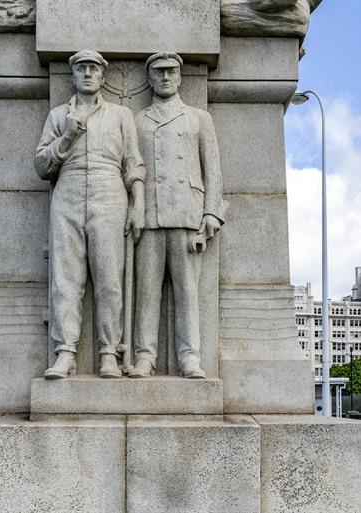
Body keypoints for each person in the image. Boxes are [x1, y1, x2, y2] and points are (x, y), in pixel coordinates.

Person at [35, 49, 146, 379]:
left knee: (109, 278)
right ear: (73, 75)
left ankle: (109, 352)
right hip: (67, 190)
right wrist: (68, 136)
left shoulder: (121, 115)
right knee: (66, 280)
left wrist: (137, 204)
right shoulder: (58, 116)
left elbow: (134, 164)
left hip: (109, 191)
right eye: (81, 68)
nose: (87, 73)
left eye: (93, 69)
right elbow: (41, 166)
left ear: (102, 76)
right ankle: (66, 352)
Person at [130, 52, 224, 379]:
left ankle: (189, 358)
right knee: (147, 294)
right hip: (151, 218)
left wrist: (211, 213)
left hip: (187, 215)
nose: (166, 77)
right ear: (150, 78)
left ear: (180, 77)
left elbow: (212, 170)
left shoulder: (199, 118)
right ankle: (145, 357)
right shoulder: (139, 120)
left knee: (188, 294)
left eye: (171, 71)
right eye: (159, 72)